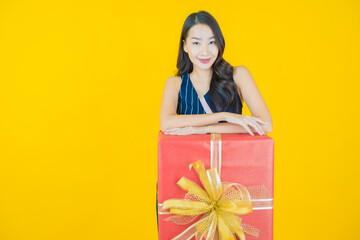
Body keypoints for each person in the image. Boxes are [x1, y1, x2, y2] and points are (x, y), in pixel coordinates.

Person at [159, 10, 272, 136]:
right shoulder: (175, 84)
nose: (205, 51)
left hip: (234, 154)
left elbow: (265, 125)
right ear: (185, 46)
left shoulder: (238, 75)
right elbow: (166, 123)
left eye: (212, 42)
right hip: (192, 155)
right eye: (196, 43)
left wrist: (205, 129)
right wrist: (225, 116)